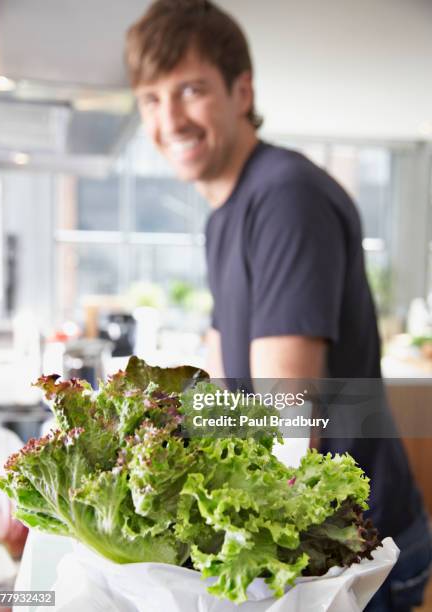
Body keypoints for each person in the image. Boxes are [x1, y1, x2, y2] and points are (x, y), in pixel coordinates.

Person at [125, 1, 432, 609]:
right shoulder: (225, 216)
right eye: (152, 100)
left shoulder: (284, 196)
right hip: (320, 552)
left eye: (190, 90)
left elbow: (286, 411)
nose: (170, 119)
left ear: (242, 91)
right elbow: (218, 384)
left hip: (357, 556)